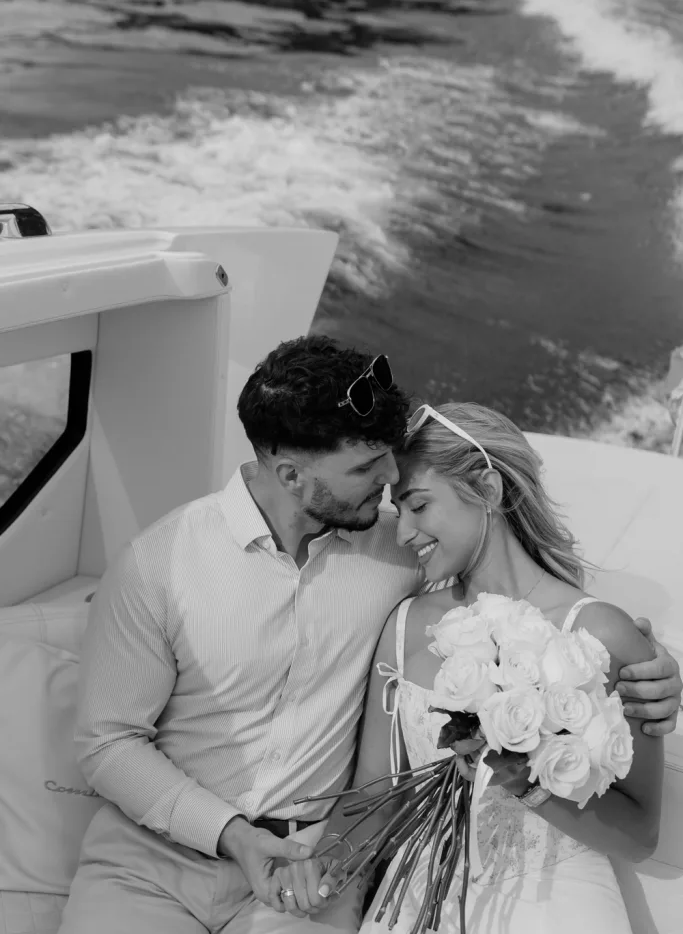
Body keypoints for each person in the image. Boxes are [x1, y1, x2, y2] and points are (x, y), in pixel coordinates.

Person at [58, 338, 680, 934]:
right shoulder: (157, 565)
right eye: (367, 465)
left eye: (394, 465)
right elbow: (108, 743)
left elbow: (526, 589)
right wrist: (234, 835)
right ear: (291, 474)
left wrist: (656, 665)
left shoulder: (398, 551)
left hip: (314, 864)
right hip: (151, 860)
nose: (389, 480)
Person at [277, 402, 668, 933]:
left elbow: (641, 835)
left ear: (486, 489)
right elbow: (373, 795)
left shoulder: (603, 634)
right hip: (419, 902)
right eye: (398, 510)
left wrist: (524, 773)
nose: (403, 533)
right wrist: (324, 864)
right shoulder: (407, 625)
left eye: (418, 505)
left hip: (559, 907)